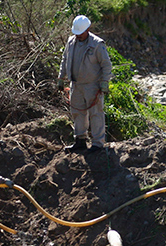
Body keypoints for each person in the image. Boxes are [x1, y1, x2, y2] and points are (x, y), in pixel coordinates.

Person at [58, 15, 112, 154]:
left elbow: (106, 65)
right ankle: (80, 141)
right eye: (76, 33)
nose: (78, 36)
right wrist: (61, 78)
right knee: (77, 113)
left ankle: (98, 144)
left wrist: (104, 82)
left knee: (96, 113)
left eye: (80, 33)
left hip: (92, 85)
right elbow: (64, 59)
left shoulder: (97, 44)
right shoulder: (71, 42)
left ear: (87, 29)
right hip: (75, 85)